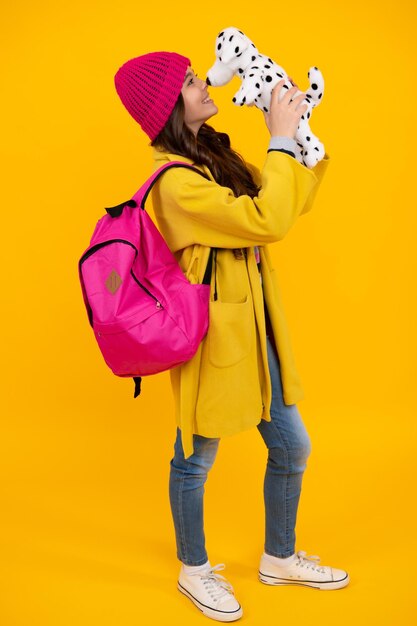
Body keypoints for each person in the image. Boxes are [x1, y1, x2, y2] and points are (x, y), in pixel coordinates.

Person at [114, 51, 349, 622]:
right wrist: (279, 141)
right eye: (192, 81)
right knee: (195, 457)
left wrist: (301, 143)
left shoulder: (210, 156)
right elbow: (265, 221)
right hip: (213, 336)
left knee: (292, 447)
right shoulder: (174, 183)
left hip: (256, 327)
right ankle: (193, 569)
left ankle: (280, 557)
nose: (207, 82)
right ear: (170, 107)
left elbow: (282, 207)